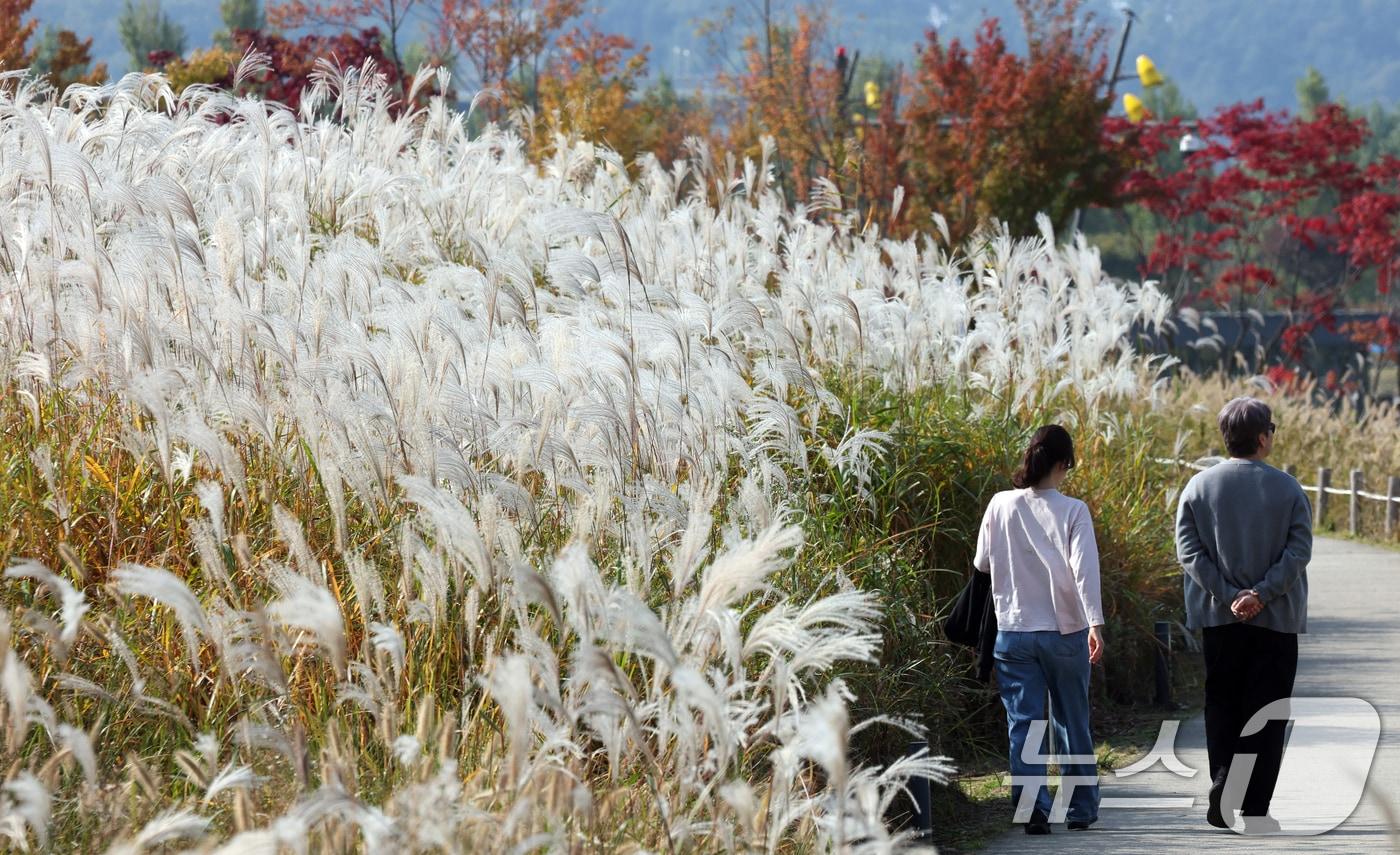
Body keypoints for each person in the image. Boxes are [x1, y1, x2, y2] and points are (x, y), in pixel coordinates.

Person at [1176, 397, 1311, 834]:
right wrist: (1262, 594)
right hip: (1276, 620)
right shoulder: (1288, 488)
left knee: (1222, 704)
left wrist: (1230, 596)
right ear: (1262, 437)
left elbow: (1189, 552)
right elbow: (1299, 551)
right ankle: (1255, 808)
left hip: (1219, 619)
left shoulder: (1198, 488)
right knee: (1267, 711)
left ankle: (1222, 782)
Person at [975, 425, 1104, 835]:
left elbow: (982, 563)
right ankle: (1081, 809)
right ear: (1064, 463)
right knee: (1072, 720)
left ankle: (1034, 811)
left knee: (1024, 724)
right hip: (1065, 631)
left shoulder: (999, 504)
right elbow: (1085, 572)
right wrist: (1096, 624)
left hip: (1013, 631)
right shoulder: (1073, 510)